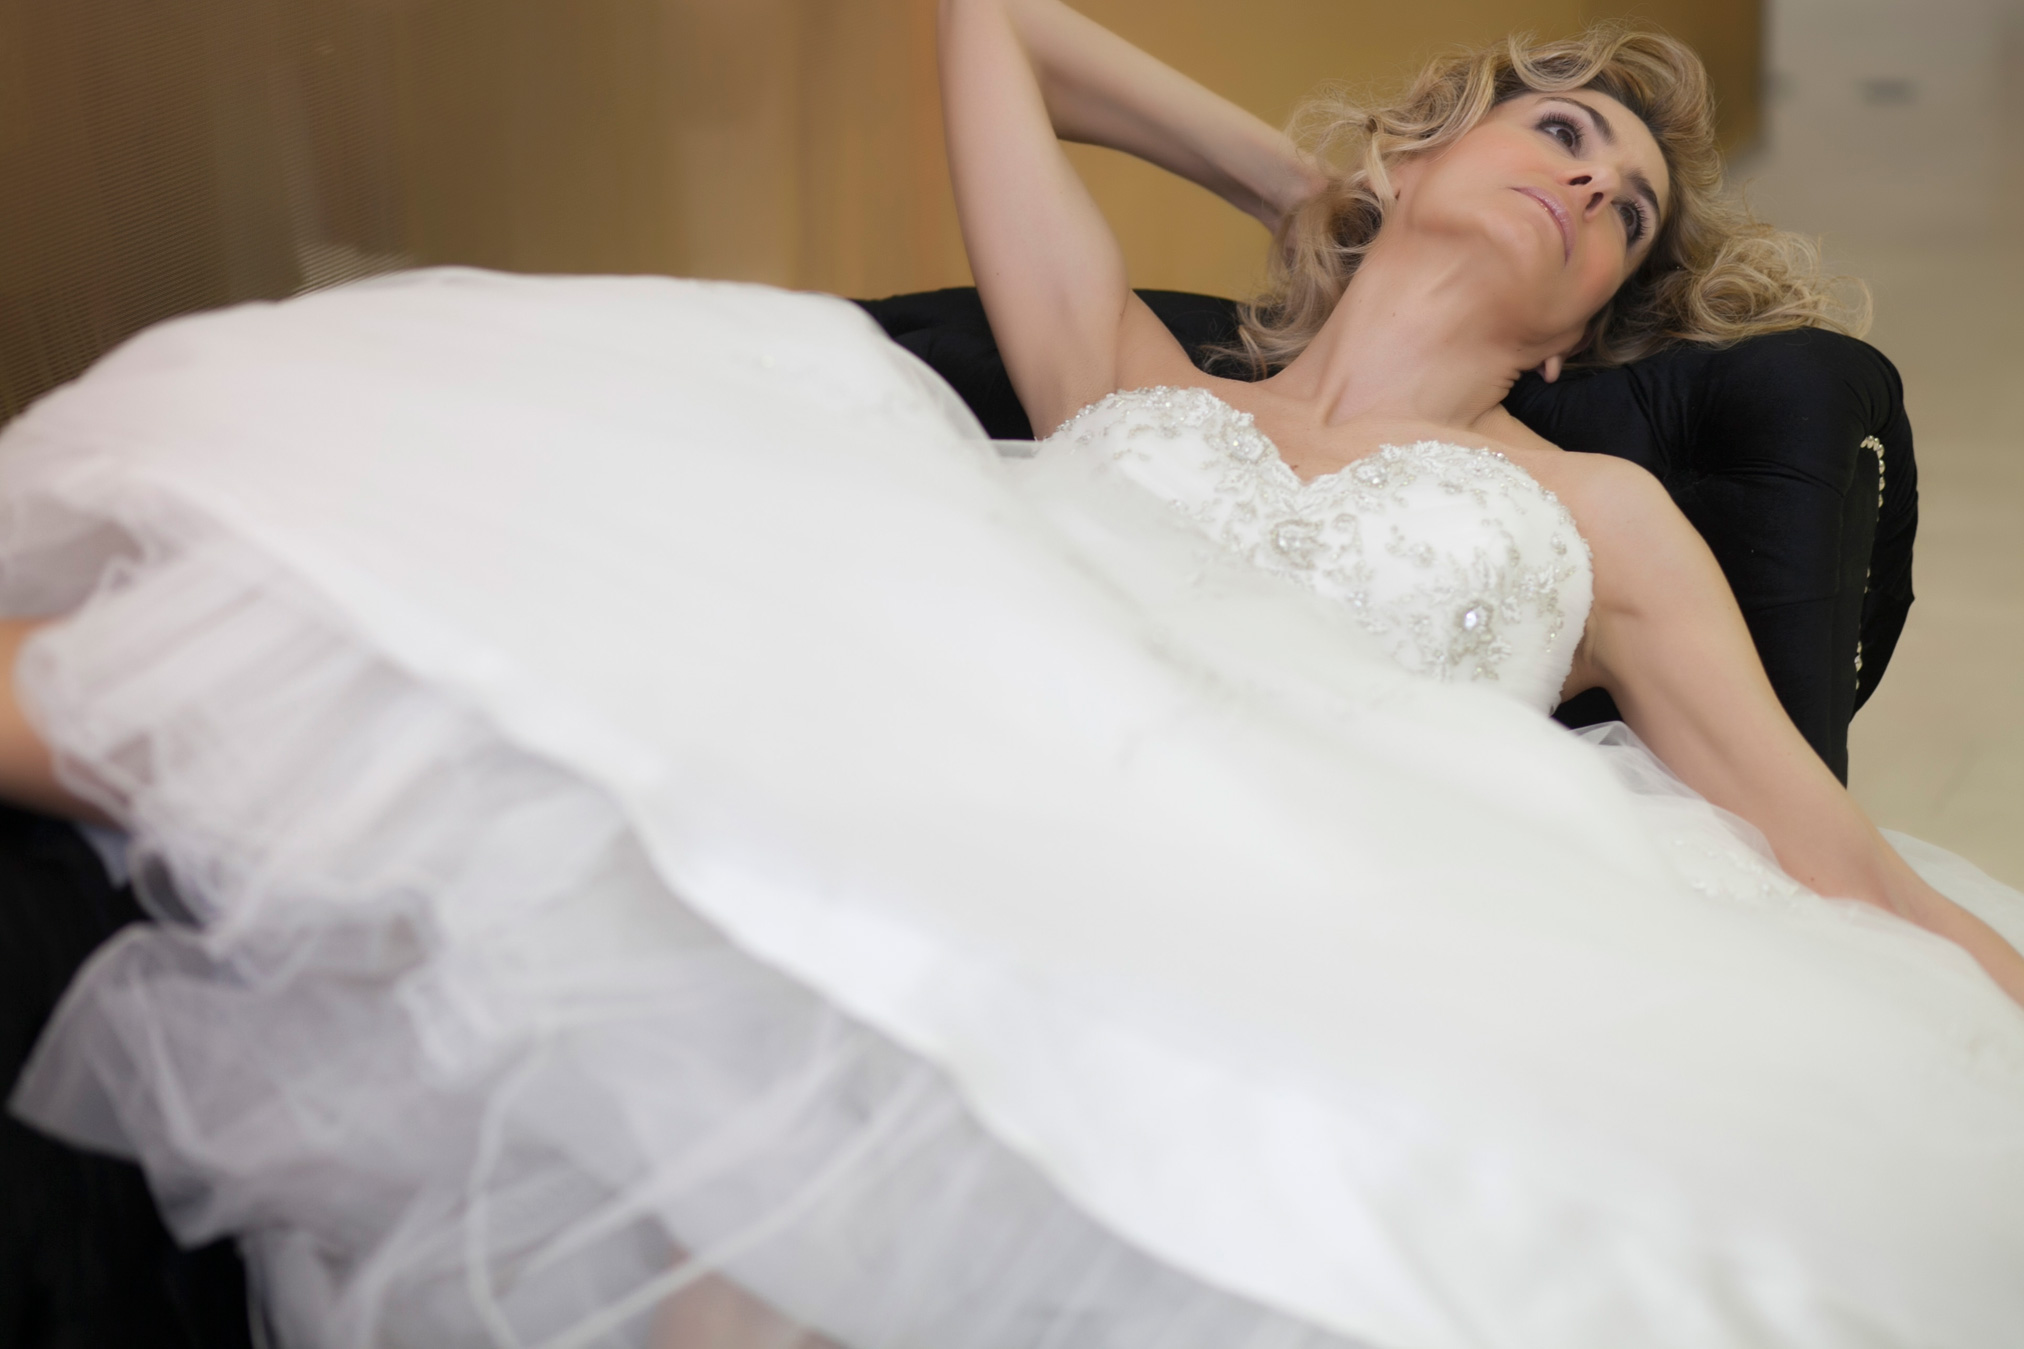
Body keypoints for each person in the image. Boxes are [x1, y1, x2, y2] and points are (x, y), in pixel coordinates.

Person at [3, 3, 2021, 1347]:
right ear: (1415, 158)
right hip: (946, 792)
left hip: (1301, 916)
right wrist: (1319, 195)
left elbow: (1832, 853)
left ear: (1585, 332)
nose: (1588, 184)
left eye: (1623, 208)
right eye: (1559, 134)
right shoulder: (1115, 372)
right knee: (317, 678)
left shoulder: (1598, 512)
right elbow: (997, 26)